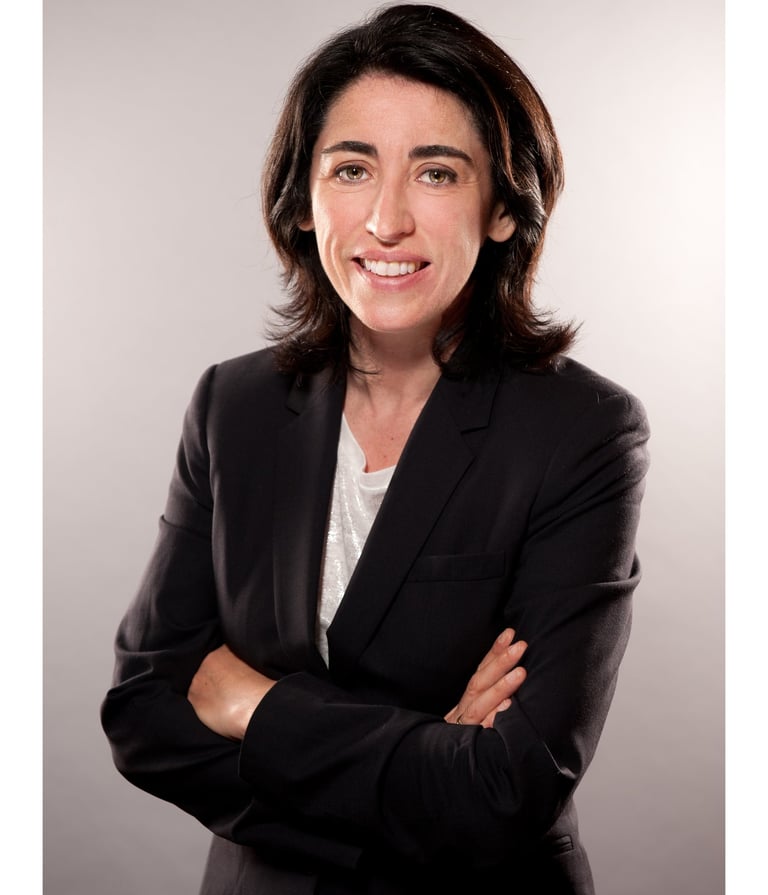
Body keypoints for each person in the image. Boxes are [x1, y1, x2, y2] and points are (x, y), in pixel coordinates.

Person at [101, 5, 649, 894]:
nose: (387, 220)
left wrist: (257, 705)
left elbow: (507, 789)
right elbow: (143, 715)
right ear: (304, 200)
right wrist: (428, 753)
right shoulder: (233, 406)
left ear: (502, 207)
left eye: (437, 172)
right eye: (352, 168)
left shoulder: (583, 432)